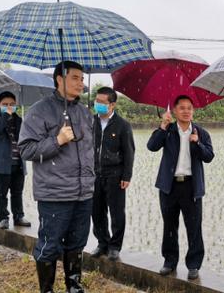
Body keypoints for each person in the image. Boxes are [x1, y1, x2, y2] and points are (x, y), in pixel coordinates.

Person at [18, 61, 96, 293]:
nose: (80, 82)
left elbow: (88, 151)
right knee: (50, 244)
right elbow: (27, 149)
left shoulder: (84, 113)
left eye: (82, 78)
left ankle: (73, 287)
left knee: (77, 242)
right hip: (54, 193)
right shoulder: (39, 111)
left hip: (83, 191)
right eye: (74, 77)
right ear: (58, 79)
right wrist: (58, 140)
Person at [147, 95, 214, 280]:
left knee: (194, 227)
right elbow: (151, 146)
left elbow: (209, 156)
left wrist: (197, 143)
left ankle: (193, 265)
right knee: (170, 226)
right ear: (174, 111)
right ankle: (169, 261)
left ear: (193, 111)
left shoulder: (201, 132)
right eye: (182, 108)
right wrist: (162, 126)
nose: (186, 111)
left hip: (191, 187)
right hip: (169, 186)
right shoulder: (167, 131)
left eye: (189, 108)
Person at [91, 86, 135, 261]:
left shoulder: (122, 125)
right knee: (96, 211)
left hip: (115, 174)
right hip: (94, 174)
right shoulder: (91, 122)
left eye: (102, 102)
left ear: (112, 105)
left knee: (117, 212)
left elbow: (129, 152)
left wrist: (126, 176)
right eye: (97, 101)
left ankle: (115, 246)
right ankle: (102, 243)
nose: (98, 105)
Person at [0, 91, 31, 230]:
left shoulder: (19, 120)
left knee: (17, 192)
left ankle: (18, 216)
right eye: (5, 104)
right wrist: (5, 115)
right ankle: (3, 218)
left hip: (18, 162)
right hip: (1, 163)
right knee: (2, 192)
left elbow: (23, 138)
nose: (9, 107)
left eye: (12, 104)